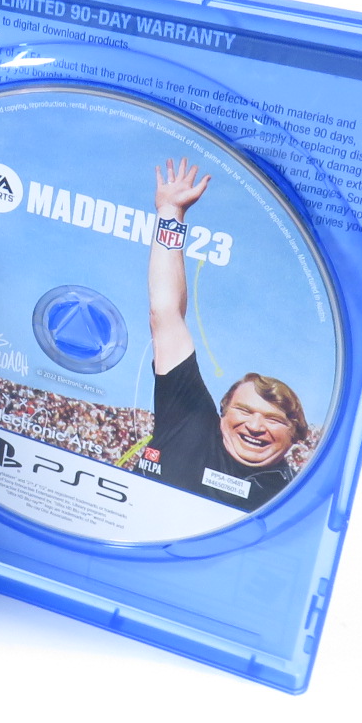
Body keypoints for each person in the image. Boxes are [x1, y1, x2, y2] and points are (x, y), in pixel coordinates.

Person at [139, 158, 308, 512]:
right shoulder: (190, 423)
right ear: (222, 413)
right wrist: (170, 213)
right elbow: (165, 313)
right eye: (244, 410)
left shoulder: (293, 500)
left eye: (274, 419)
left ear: (296, 433)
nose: (256, 426)